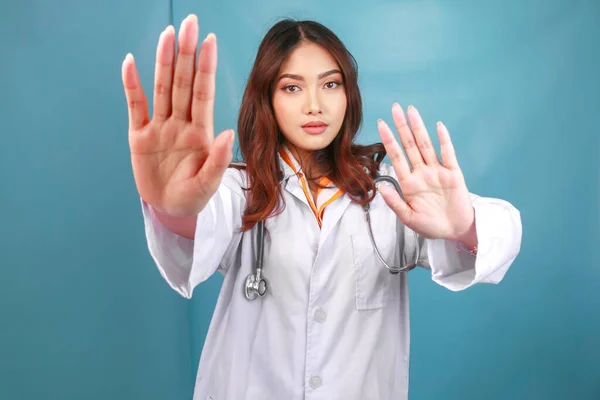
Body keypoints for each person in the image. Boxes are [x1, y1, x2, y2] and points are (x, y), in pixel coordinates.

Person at [121, 13, 522, 400]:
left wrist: (463, 225)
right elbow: (197, 220)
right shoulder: (240, 188)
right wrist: (170, 205)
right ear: (267, 99)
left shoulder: (389, 195)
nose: (315, 104)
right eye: (292, 88)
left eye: (330, 85)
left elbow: (502, 230)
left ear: (349, 93)